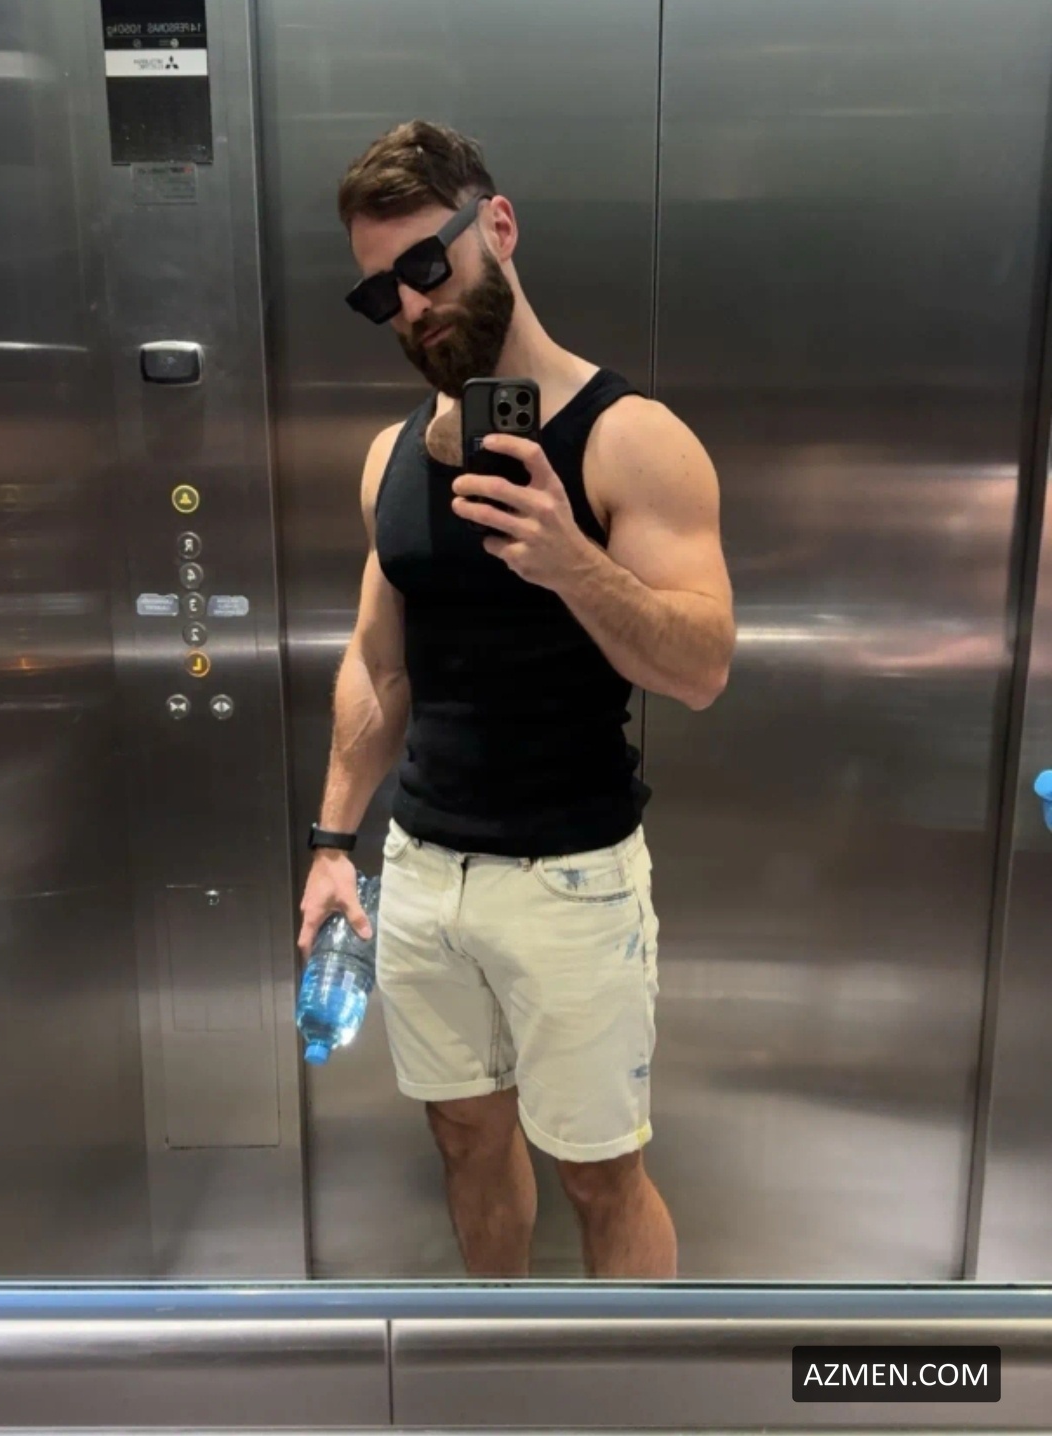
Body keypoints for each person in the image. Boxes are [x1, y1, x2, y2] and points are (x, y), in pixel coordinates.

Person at [297, 120, 735, 1278]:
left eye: (425, 265)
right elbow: (378, 667)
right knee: (463, 1135)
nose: (410, 306)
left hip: (572, 873)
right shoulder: (392, 457)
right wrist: (333, 842)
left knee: (600, 1172)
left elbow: (702, 666)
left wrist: (571, 561)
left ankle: (630, 1376)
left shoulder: (632, 440)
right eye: (380, 293)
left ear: (495, 226)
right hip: (423, 871)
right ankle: (496, 1354)